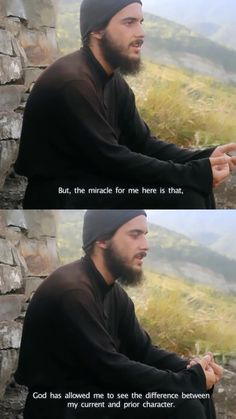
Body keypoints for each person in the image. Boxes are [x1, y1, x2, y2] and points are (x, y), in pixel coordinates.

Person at [14, 0, 236, 209]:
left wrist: (204, 156)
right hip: (61, 194)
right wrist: (193, 173)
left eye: (140, 22)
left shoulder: (111, 79)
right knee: (187, 193)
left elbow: (143, 143)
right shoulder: (73, 82)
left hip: (94, 181)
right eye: (129, 22)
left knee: (194, 188)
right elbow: (112, 158)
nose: (140, 33)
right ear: (97, 30)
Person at [15, 209, 223, 419]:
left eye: (145, 235)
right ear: (102, 239)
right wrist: (188, 380)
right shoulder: (72, 291)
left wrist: (192, 368)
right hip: (60, 405)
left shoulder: (113, 291)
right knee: (185, 405)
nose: (145, 245)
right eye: (135, 235)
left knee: (198, 396)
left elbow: (143, 351)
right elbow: (110, 367)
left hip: (95, 393)